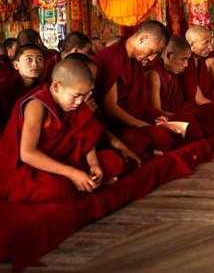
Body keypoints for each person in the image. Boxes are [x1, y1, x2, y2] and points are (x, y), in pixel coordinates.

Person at [0, 59, 124, 203]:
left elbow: (85, 137)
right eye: (76, 95)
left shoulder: (74, 104)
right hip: (30, 168)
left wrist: (94, 164)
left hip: (65, 160)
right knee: (55, 188)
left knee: (114, 161)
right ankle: (80, 183)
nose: (80, 102)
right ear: (56, 86)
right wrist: (72, 173)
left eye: (84, 96)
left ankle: (83, 183)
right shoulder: (37, 105)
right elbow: (27, 154)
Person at [93, 20, 176, 159]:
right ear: (142, 39)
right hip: (115, 125)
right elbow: (110, 108)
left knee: (175, 126)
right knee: (159, 137)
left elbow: (139, 102)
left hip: (134, 118)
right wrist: (143, 125)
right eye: (152, 51)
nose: (151, 57)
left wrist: (156, 117)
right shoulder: (112, 58)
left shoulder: (135, 61)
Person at [146, 37, 214, 143]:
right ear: (169, 55)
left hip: (179, 110)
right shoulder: (154, 74)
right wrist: (181, 116)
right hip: (165, 117)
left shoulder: (174, 70)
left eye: (188, 59)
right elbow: (156, 111)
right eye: (183, 59)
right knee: (192, 124)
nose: (186, 65)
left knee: (213, 111)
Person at [0, 45, 45, 132]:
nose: (35, 64)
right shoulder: (4, 88)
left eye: (39, 59)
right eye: (29, 59)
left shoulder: (43, 86)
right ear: (16, 65)